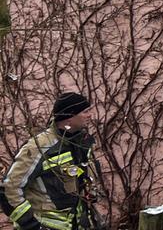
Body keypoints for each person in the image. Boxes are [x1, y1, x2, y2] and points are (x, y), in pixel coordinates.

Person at [3, 93, 100, 230]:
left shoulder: (80, 143)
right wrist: (31, 224)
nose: (90, 115)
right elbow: (9, 188)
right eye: (85, 111)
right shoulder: (39, 147)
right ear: (69, 118)